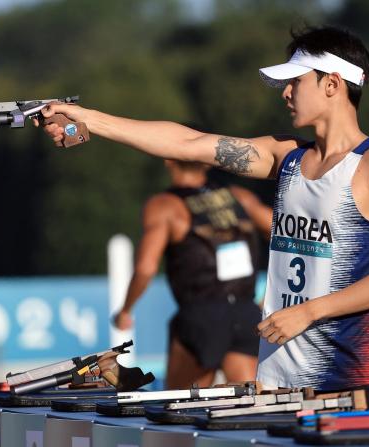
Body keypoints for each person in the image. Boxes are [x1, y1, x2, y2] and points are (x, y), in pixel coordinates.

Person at [36, 26, 369, 408]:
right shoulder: (285, 156)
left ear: (332, 84)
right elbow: (185, 143)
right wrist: (87, 118)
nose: (285, 93)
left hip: (354, 374)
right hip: (280, 376)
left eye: (295, 82)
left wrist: (308, 312)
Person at [112, 159, 272, 389]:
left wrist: (125, 311)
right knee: (251, 405)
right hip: (246, 313)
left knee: (178, 406)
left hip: (201, 316)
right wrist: (269, 296)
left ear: (167, 161)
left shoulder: (165, 205)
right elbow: (290, 238)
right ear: (207, 163)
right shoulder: (239, 197)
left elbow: (146, 268)